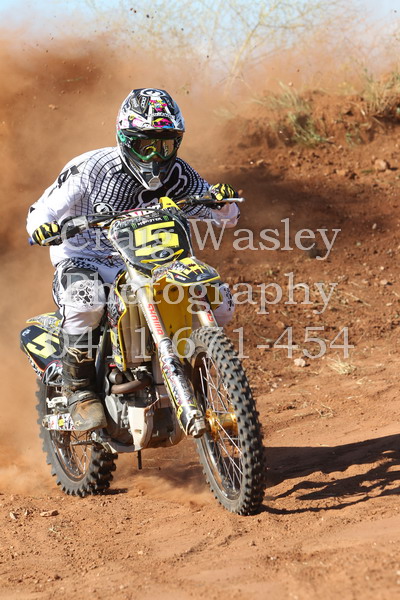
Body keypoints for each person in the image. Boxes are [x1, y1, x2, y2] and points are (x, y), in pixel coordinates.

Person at [26, 88, 240, 432]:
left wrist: (222, 202)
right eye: (146, 145)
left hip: (149, 260)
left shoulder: (178, 173)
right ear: (125, 139)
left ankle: (189, 365)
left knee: (222, 304)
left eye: (164, 145)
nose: (156, 155)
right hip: (87, 258)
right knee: (86, 301)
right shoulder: (92, 169)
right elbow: (43, 209)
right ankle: (80, 392)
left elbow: (224, 216)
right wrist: (43, 227)